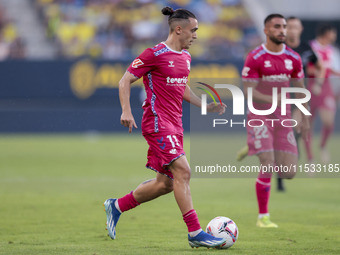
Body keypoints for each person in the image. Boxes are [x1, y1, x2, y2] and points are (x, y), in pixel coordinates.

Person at [103, 6, 227, 249]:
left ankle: (116, 206)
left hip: (175, 125)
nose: (196, 35)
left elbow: (181, 87)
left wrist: (205, 106)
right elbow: (125, 79)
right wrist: (126, 110)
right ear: (178, 29)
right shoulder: (154, 53)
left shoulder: (186, 57)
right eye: (193, 30)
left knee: (166, 184)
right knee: (184, 172)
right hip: (157, 123)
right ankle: (195, 233)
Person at [236, 16, 324, 190]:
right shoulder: (269, 51)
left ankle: (261, 145)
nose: (288, 30)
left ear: (300, 30)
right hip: (272, 104)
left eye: (292, 27)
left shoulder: (304, 50)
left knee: (293, 143)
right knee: (270, 158)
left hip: (294, 99)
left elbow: (317, 68)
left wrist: (318, 83)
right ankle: (264, 149)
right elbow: (249, 91)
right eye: (286, 27)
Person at [241, 14, 309, 228]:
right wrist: (273, 99)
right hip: (259, 117)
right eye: (277, 27)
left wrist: (303, 115)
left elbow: (300, 90)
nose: (282, 30)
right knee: (268, 164)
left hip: (283, 119)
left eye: (284, 27)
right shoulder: (256, 57)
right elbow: (248, 93)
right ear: (266, 31)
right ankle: (263, 217)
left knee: (289, 173)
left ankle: (256, 145)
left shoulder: (293, 58)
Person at [304, 23, 340, 164]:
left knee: (329, 121)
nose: (335, 36)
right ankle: (310, 158)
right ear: (326, 33)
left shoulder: (332, 51)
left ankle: (323, 146)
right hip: (309, 86)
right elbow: (307, 67)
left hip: (325, 87)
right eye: (333, 32)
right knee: (308, 124)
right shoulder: (310, 47)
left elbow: (332, 69)